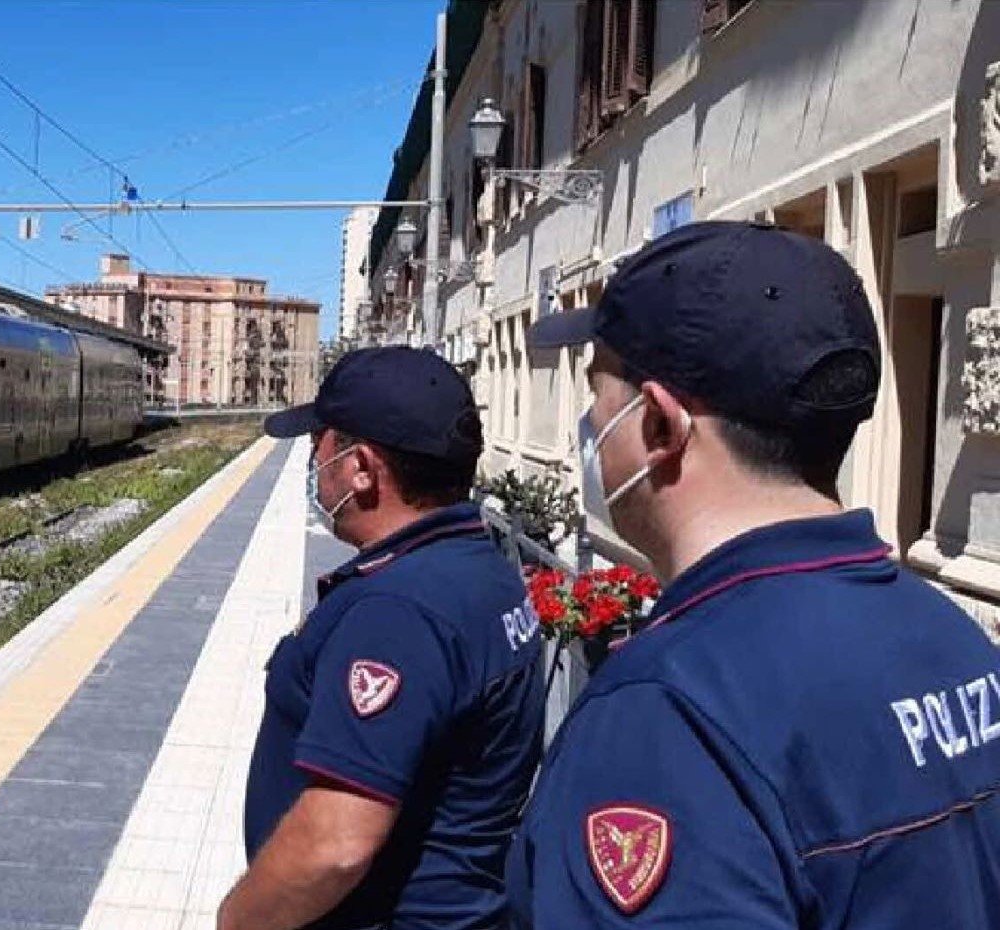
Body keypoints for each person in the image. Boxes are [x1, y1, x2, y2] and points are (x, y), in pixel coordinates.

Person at [509, 220, 1000, 927]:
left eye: (596, 393)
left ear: (659, 426)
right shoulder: (948, 634)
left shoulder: (666, 712)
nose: (587, 424)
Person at [220, 346, 547, 930]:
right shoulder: (482, 570)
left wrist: (237, 921)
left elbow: (335, 844)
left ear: (361, 467)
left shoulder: (398, 611)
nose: (313, 462)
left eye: (319, 443)